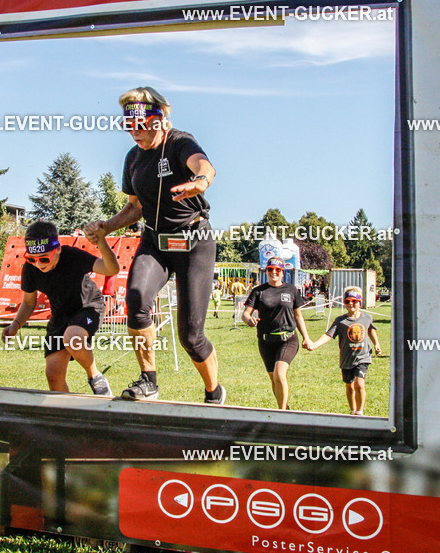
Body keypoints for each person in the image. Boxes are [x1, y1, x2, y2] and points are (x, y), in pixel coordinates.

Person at [85, 87, 225, 404]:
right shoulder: (133, 158)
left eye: (140, 125)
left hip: (193, 243)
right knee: (135, 302)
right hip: (155, 242)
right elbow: (134, 208)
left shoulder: (179, 142)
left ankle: (214, 392)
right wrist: (105, 227)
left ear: (158, 119)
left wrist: (200, 182)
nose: (133, 132)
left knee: (191, 336)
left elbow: (205, 167)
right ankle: (149, 381)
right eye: (127, 125)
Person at [1, 220, 119, 396]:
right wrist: (15, 325)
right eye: (31, 259)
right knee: (53, 375)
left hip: (88, 306)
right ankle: (68, 410)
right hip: (60, 315)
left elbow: (111, 269)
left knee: (72, 337)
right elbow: (28, 303)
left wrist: (101, 242)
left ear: (57, 249)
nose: (39, 264)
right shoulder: (30, 270)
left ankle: (95, 376)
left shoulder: (72, 256)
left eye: (44, 258)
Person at [242, 257, 313, 410]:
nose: (274, 272)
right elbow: (245, 314)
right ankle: (285, 408)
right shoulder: (258, 291)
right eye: (270, 269)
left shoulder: (291, 290)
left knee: (279, 374)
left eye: (277, 270)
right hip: (266, 341)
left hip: (288, 339)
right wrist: (249, 320)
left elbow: (298, 316)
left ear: (282, 272)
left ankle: (281, 414)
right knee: (274, 379)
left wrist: (306, 338)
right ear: (266, 271)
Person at [306, 286, 382, 415]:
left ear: (360, 302)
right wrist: (314, 345)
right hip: (347, 358)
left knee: (359, 384)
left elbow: (370, 329)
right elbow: (329, 335)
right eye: (347, 301)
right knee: (349, 386)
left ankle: (360, 412)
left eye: (354, 301)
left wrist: (376, 344)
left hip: (362, 357)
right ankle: (353, 411)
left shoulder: (367, 317)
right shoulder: (340, 321)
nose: (351, 304)